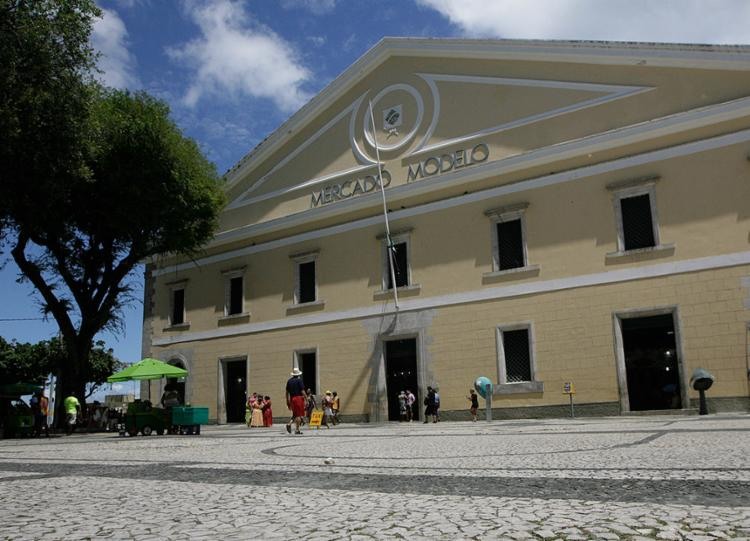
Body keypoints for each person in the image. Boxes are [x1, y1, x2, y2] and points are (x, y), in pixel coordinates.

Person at [285, 368, 306, 435]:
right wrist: (306, 398)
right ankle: (297, 429)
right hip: (298, 398)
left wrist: (287, 401)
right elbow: (302, 391)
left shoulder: (289, 381)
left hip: (292, 398)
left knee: (295, 414)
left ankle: (289, 424)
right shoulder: (299, 381)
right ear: (298, 374)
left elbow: (287, 392)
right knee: (299, 415)